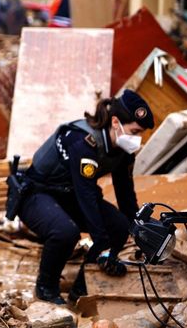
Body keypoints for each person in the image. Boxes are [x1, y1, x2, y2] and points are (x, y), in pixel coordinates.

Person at [16, 90, 154, 305]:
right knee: (65, 232)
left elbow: (126, 195)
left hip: (70, 195)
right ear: (115, 122)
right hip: (36, 194)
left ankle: (81, 290)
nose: (137, 139)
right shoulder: (84, 142)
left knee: (118, 226)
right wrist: (102, 243)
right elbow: (86, 195)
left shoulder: (123, 151)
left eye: (140, 133)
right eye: (135, 131)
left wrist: (143, 230)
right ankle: (46, 288)